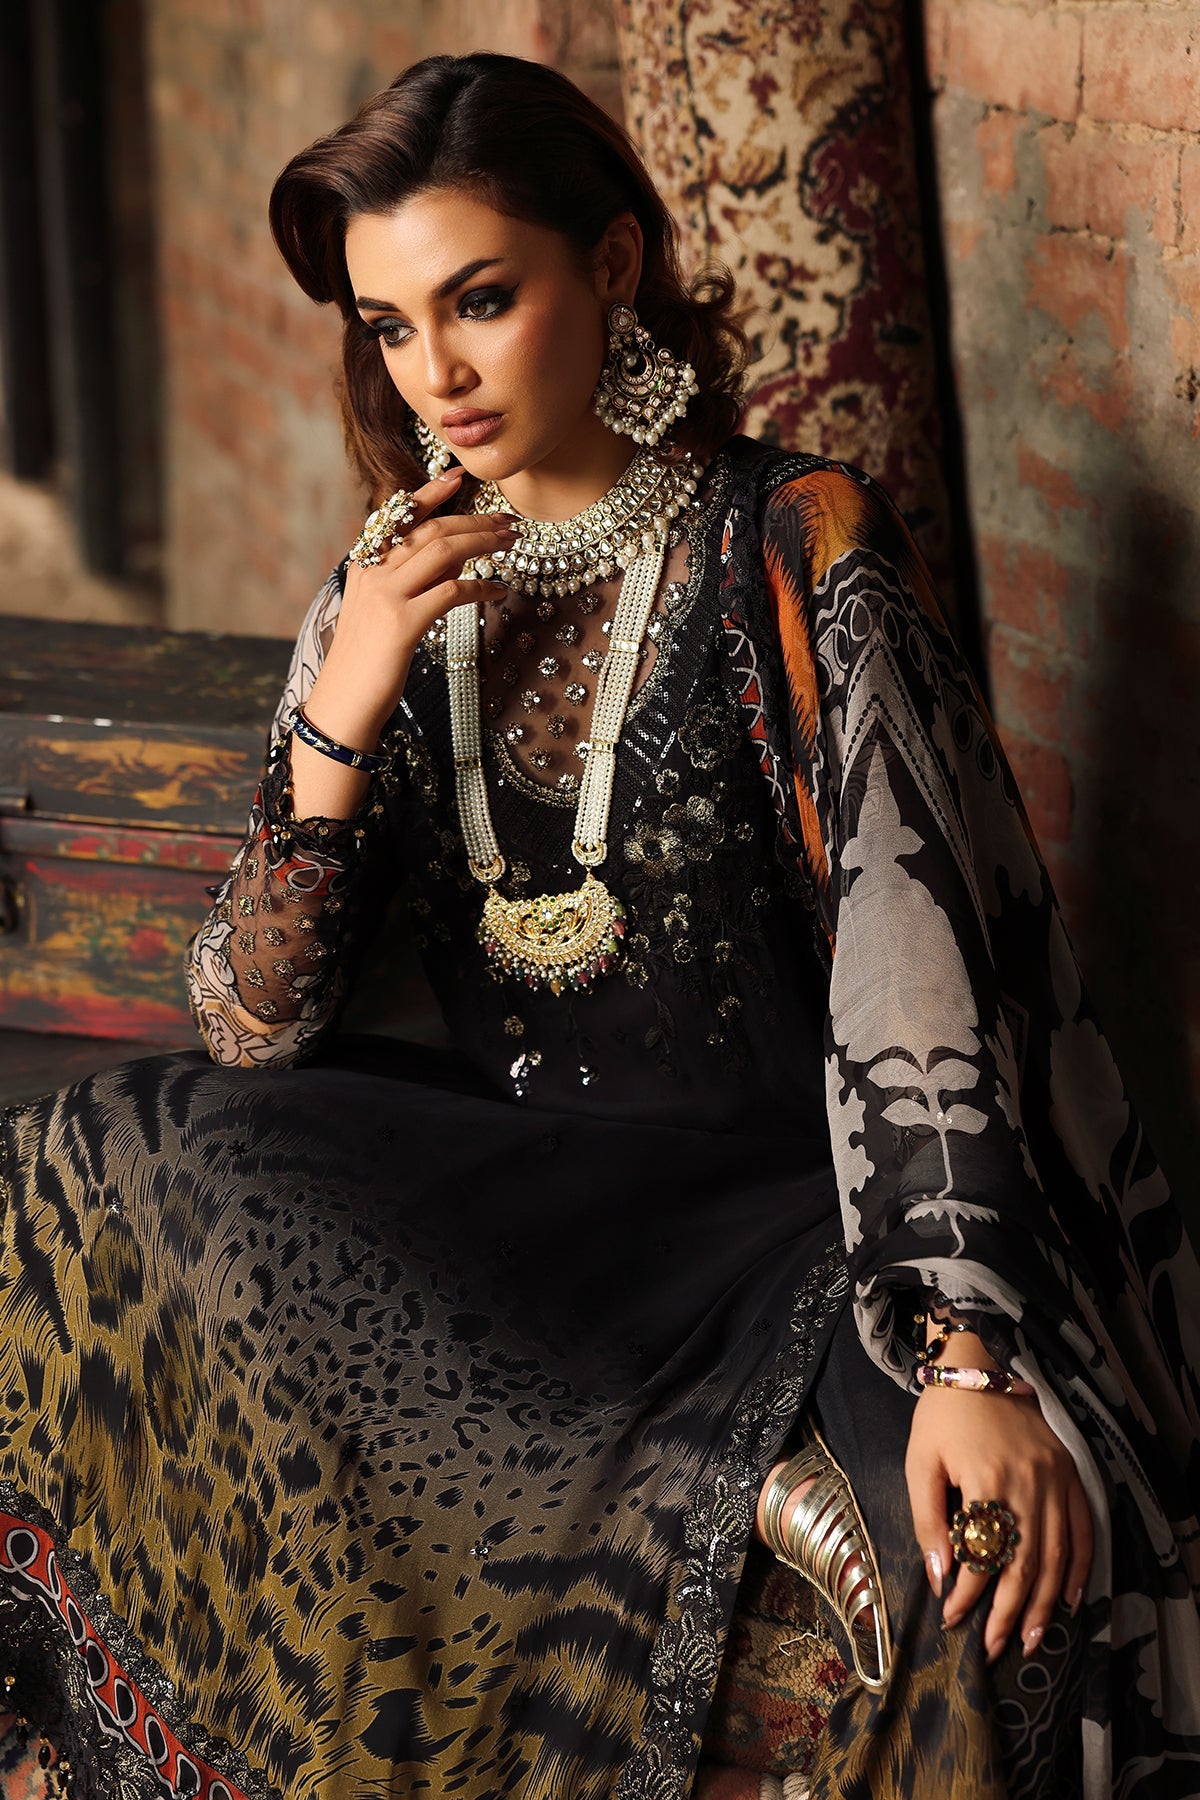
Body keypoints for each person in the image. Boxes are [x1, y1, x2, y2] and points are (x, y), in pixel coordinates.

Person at [1, 49, 1197, 1800]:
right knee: (112, 1144)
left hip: (793, 1218)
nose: (436, 371)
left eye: (480, 300)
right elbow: (251, 1028)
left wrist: (965, 1354)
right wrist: (340, 714)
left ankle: (761, 1468)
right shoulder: (388, 588)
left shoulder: (793, 547)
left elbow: (914, 960)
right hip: (538, 1195)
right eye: (391, 325)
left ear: (614, 265)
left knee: (958, 1573)